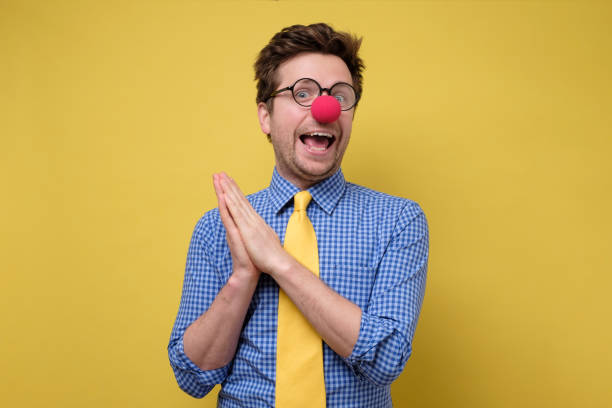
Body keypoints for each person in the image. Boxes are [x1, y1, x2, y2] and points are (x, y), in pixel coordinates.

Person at [168, 23, 429, 407]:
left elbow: (387, 360)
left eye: (339, 96)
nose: (324, 109)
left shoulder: (398, 220)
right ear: (266, 117)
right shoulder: (217, 227)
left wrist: (278, 262)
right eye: (301, 93)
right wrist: (244, 275)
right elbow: (192, 376)